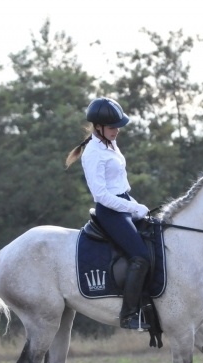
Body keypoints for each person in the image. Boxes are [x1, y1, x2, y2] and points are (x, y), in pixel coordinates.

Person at [65, 97, 151, 330]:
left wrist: (134, 204)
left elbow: (120, 186)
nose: (117, 131)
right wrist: (133, 208)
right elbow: (102, 195)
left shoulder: (110, 144)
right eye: (113, 127)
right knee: (140, 257)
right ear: (99, 127)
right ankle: (129, 314)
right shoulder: (93, 152)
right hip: (110, 211)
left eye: (118, 127)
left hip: (123, 202)